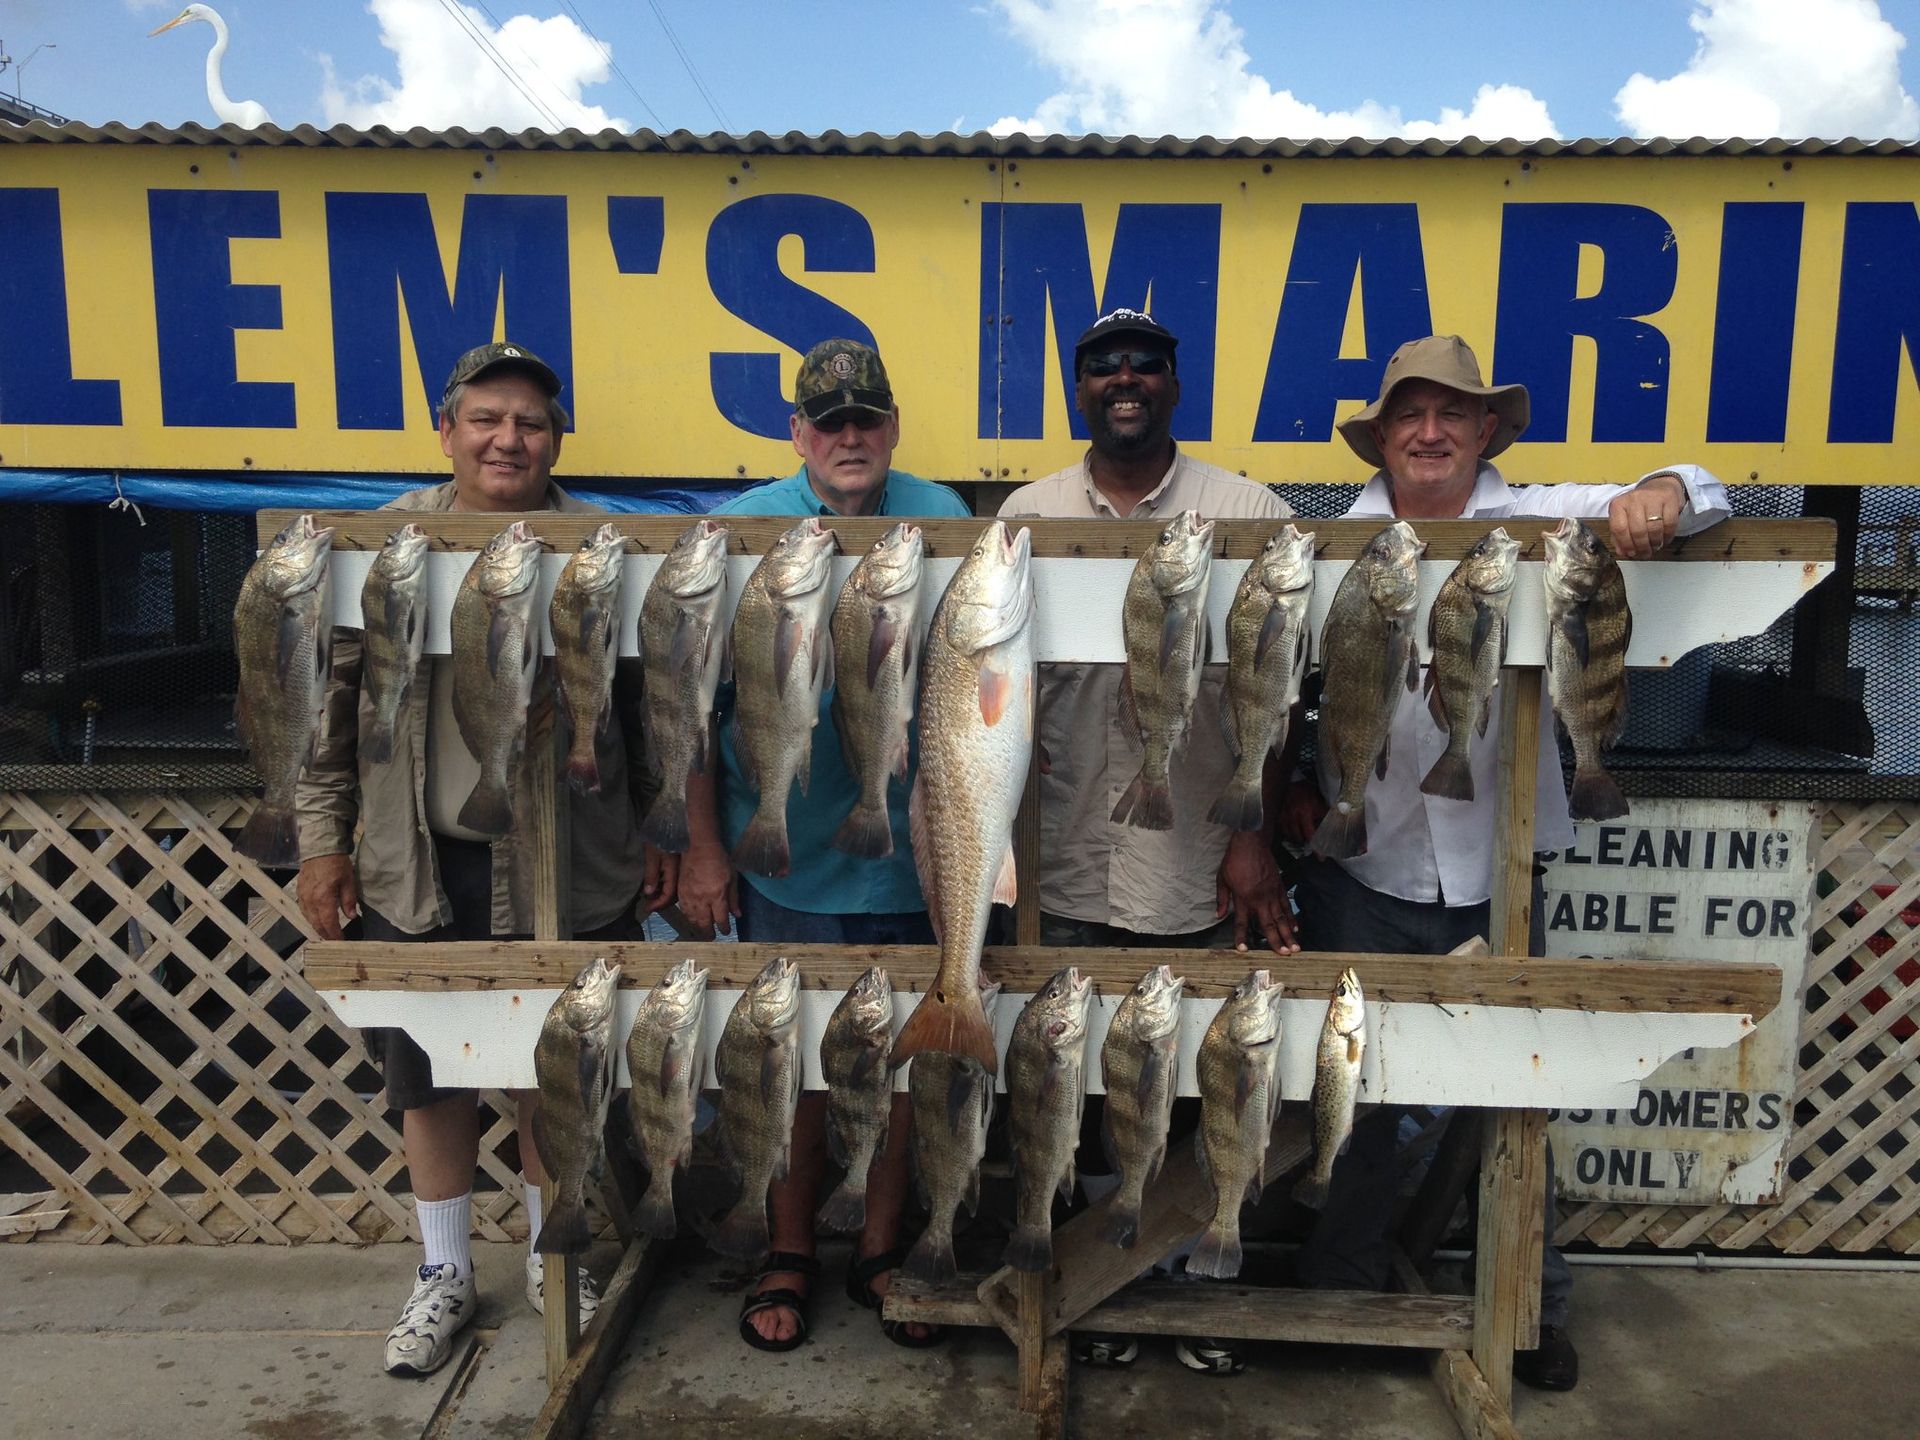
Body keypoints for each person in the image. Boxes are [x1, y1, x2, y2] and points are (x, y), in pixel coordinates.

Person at [1279, 333, 1733, 1392]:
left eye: (1452, 414)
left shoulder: (1547, 520)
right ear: (1381, 438)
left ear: (1487, 430)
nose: (1430, 432)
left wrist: (1664, 488)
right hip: (1363, 865)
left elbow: (1708, 497)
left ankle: (1532, 1304)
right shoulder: (1335, 544)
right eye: (1409, 416)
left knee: (1517, 1094)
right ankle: (1334, 1284)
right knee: (1362, 1090)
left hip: (1505, 866)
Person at [295, 341, 677, 1379]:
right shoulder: (381, 550)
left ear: (558, 439)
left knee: (556, 1075)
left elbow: (648, 712)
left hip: (576, 860)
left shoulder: (603, 549)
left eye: (532, 423)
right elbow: (330, 718)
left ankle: (560, 1256)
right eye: (488, 419)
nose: (509, 439)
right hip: (421, 865)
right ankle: (444, 1272)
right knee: (429, 1080)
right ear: (448, 429)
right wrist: (323, 841)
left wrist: (656, 829)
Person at [998, 308, 1301, 1375]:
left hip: (1201, 851)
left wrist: (1255, 838)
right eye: (1104, 368)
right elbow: (994, 701)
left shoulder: (1250, 510)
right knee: (1076, 1079)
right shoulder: (1027, 512)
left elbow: (1284, 698)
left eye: (1146, 366)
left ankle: (1199, 1290)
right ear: (1081, 389)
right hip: (1069, 848)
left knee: (1196, 1075)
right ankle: (1103, 1282)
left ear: (1177, 383)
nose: (1125, 380)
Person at [677, 337, 972, 1352]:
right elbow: (690, 705)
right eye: (829, 422)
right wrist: (706, 845)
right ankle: (789, 1245)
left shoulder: (945, 518)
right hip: (784, 855)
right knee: (789, 1062)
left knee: (898, 1062)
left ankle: (882, 1245)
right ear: (797, 432)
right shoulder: (740, 530)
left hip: (911, 851)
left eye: (868, 420)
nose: (851, 438)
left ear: (893, 428)